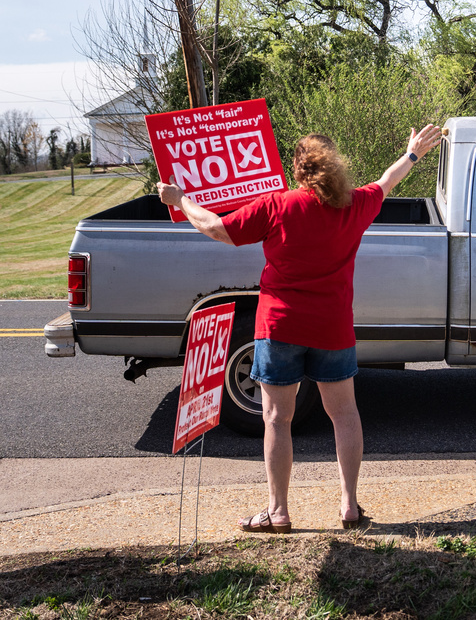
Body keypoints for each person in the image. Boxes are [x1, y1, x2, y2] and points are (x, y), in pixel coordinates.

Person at [158, 125, 442, 534]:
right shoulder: (355, 204)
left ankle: (278, 513)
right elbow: (387, 180)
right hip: (333, 327)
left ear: (298, 168)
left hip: (280, 326)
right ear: (335, 167)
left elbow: (217, 228)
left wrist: (180, 199)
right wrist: (413, 153)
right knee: (344, 414)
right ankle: (349, 506)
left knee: (276, 418)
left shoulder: (277, 205)